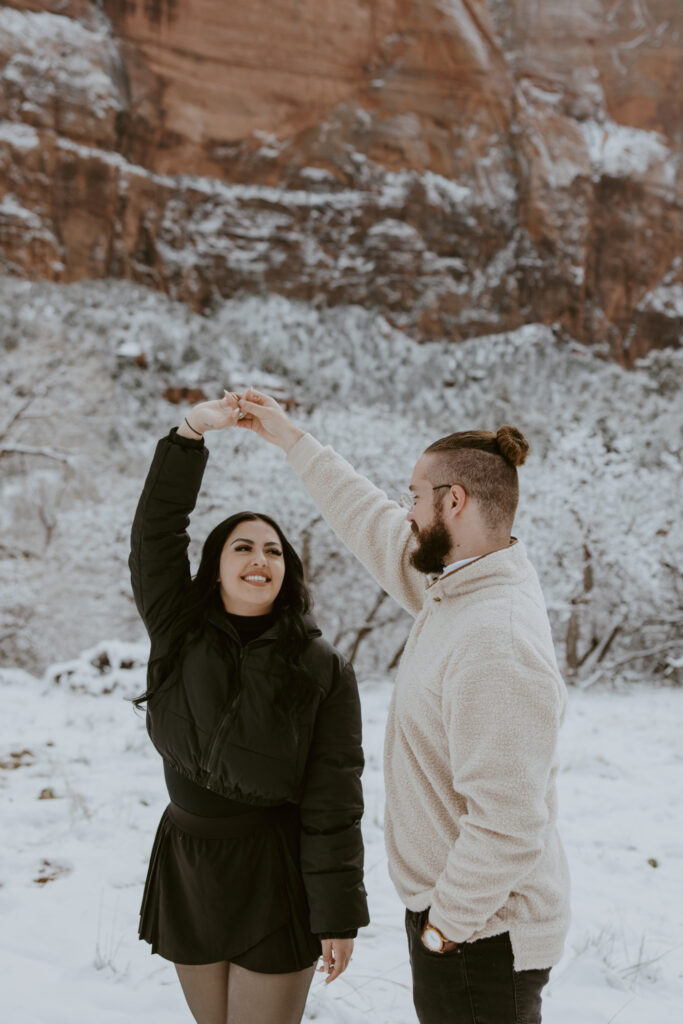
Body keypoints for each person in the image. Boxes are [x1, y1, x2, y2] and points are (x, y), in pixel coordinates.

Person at [233, 389, 570, 1024]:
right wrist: (290, 439)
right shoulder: (462, 588)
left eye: (415, 495)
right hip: (466, 923)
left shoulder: (493, 639)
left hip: (481, 937)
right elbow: (373, 524)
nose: (407, 510)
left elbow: (509, 822)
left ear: (454, 501)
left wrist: (445, 928)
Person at [128, 393, 369, 1024]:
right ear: (215, 566)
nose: (260, 558)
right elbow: (156, 533)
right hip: (189, 859)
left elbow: (334, 802)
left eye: (273, 550)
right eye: (242, 547)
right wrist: (191, 432)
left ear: (287, 570)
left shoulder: (322, 668)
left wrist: (338, 913)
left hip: (274, 872)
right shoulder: (177, 628)